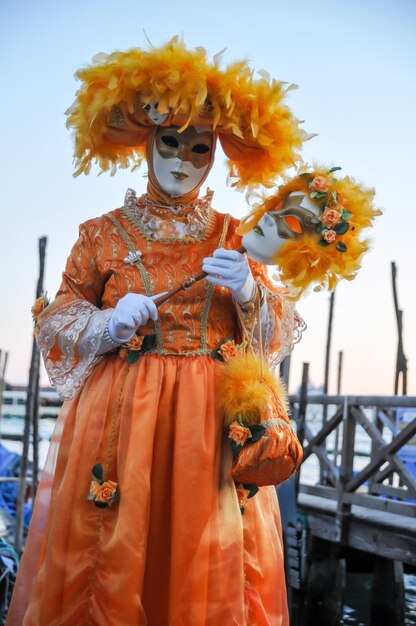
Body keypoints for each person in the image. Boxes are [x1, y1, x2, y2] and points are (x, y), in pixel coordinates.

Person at [7, 37, 306, 625]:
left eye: (199, 148)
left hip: (208, 428)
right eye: (170, 143)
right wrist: (106, 322)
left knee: (203, 557)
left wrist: (248, 290)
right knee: (111, 551)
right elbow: (56, 323)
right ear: (147, 143)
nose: (181, 160)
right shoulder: (101, 234)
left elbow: (278, 333)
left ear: (214, 153)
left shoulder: (235, 235)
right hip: (120, 421)